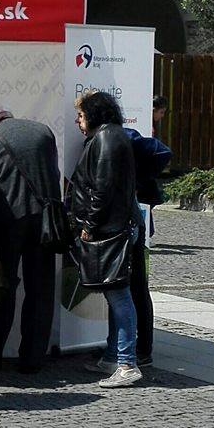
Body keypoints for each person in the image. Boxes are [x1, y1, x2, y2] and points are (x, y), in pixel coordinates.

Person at [0, 101, 61, 373]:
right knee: (41, 288)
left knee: (3, 288)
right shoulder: (43, 131)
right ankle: (33, 357)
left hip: (6, 222)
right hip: (45, 220)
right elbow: (54, 174)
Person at [68, 91, 142, 388]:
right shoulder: (111, 135)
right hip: (113, 226)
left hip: (109, 229)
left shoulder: (106, 138)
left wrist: (89, 224)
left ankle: (127, 363)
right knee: (115, 294)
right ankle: (114, 357)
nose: (78, 121)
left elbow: (103, 187)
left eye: (81, 116)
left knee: (119, 296)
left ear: (94, 114)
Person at [124, 123, 172, 373]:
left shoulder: (125, 135)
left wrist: (139, 180)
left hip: (134, 217)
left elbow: (162, 152)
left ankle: (143, 348)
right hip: (129, 216)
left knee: (138, 286)